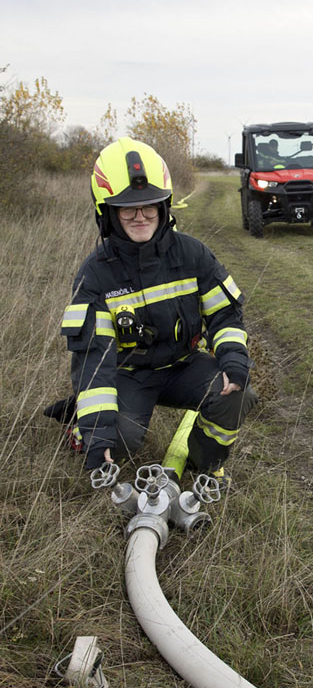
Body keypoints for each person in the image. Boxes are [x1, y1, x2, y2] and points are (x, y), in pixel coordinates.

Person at [53, 136, 257, 479]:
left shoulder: (193, 254)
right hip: (129, 376)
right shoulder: (95, 275)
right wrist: (99, 429)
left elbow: (225, 314)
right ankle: (80, 422)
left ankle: (200, 462)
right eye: (127, 208)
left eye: (150, 205)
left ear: (165, 206)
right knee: (119, 441)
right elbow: (94, 358)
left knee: (237, 392)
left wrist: (233, 358)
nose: (140, 216)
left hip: (184, 367)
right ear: (107, 212)